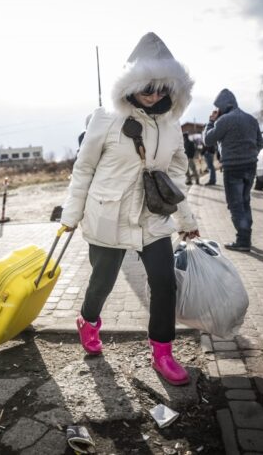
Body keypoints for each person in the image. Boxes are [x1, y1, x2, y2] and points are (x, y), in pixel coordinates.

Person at [60, 32, 199, 386]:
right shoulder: (105, 118)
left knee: (164, 283)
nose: (154, 96)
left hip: (153, 216)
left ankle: (163, 352)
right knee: (102, 282)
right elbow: (84, 168)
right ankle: (88, 321)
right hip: (109, 213)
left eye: (161, 89)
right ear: (131, 85)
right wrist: (71, 216)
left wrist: (186, 218)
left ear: (172, 88)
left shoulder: (172, 123)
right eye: (146, 87)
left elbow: (179, 167)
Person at [203, 88, 263, 252]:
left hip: (233, 168)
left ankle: (242, 240)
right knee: (245, 201)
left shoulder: (224, 121)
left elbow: (208, 140)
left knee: (235, 205)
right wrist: (250, 154)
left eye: (218, 107)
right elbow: (261, 143)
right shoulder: (251, 119)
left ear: (223, 105)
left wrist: (210, 122)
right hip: (250, 167)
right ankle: (246, 237)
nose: (217, 110)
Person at [202, 111, 218, 186]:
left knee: (210, 167)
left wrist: (211, 121)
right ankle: (212, 180)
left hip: (209, 152)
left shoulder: (211, 128)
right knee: (210, 167)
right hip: (210, 151)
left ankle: (212, 180)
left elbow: (207, 142)